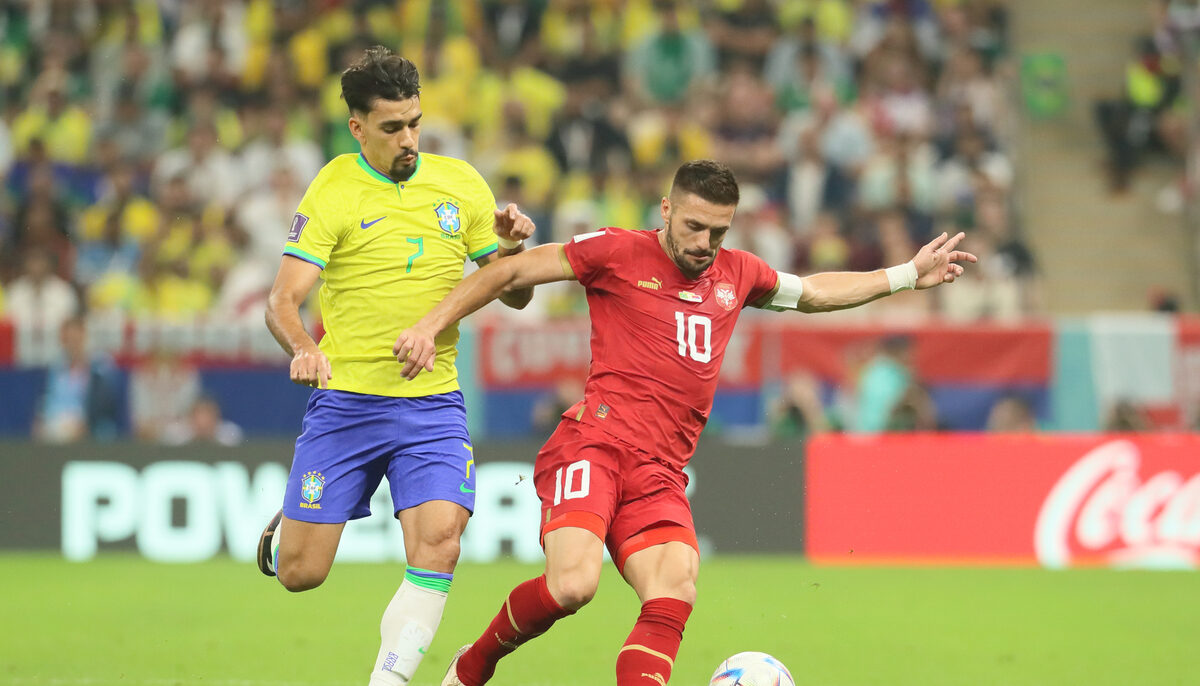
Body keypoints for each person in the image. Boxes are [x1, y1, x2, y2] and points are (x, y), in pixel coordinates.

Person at [392, 159, 976, 686]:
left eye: (718, 232)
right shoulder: (615, 251)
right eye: (694, 226)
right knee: (573, 585)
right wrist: (429, 324)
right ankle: (473, 666)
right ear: (666, 210)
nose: (705, 243)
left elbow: (814, 292)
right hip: (593, 444)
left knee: (675, 588)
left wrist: (905, 275)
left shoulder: (738, 274)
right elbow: (508, 276)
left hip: (661, 471)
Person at [255, 46, 536, 686]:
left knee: (440, 543)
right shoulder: (334, 188)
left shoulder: (461, 184)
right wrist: (304, 348)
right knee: (301, 573)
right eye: (391, 127)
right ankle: (291, 520)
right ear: (357, 128)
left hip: (433, 403)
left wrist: (511, 251)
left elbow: (513, 295)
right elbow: (281, 301)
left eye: (414, 123)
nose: (408, 139)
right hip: (346, 403)